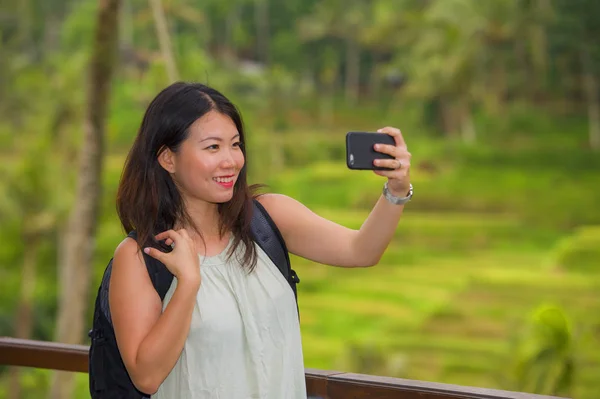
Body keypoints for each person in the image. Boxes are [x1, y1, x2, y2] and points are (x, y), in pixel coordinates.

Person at [109, 81, 412, 399]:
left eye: (235, 144)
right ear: (168, 159)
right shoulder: (141, 256)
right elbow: (146, 376)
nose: (231, 161)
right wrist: (187, 285)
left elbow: (361, 250)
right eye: (213, 147)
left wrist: (396, 190)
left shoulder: (268, 219)